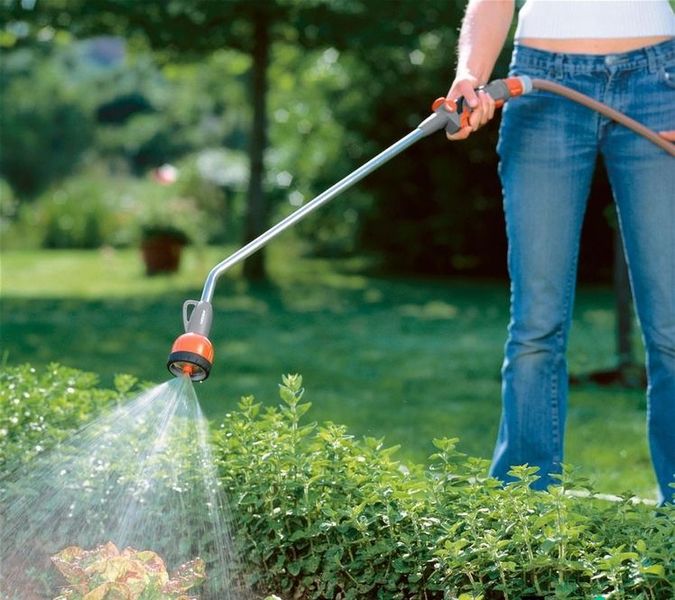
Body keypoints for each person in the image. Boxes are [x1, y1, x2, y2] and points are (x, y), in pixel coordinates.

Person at [446, 0, 675, 504]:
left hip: (658, 84)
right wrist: (470, 76)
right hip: (541, 83)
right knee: (536, 325)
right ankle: (522, 517)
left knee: (672, 326)